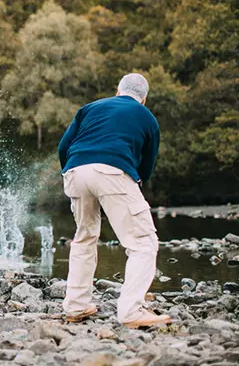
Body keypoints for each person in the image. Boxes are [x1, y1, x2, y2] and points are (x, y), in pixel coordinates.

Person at [58, 73, 171, 329]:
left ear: (118, 91)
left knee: (85, 237)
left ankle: (76, 306)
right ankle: (131, 311)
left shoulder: (91, 108)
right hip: (113, 171)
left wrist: (73, 172)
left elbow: (64, 147)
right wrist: (132, 186)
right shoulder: (147, 118)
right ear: (143, 99)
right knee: (143, 243)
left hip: (75, 171)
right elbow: (146, 165)